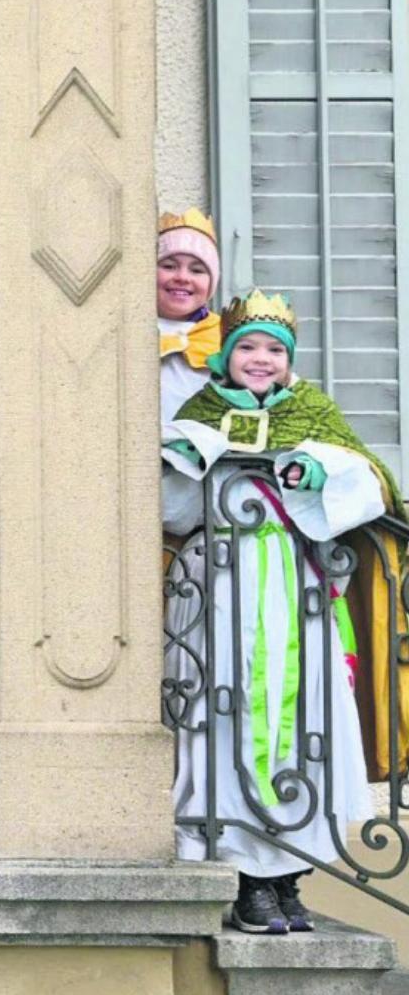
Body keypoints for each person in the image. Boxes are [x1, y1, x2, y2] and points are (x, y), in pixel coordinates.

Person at [162, 290, 397, 935]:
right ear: (226, 357)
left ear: (289, 362)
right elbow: (173, 511)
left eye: (273, 350)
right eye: (247, 348)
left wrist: (320, 470)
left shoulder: (314, 411)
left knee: (304, 719)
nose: (260, 360)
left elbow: (373, 482)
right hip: (223, 591)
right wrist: (186, 460)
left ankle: (288, 878)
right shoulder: (200, 409)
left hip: (298, 589)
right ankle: (248, 882)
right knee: (228, 716)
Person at [157, 208, 221, 426]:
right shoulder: (126, 330)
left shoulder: (229, 337)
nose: (182, 277)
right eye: (169, 266)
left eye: (197, 270)